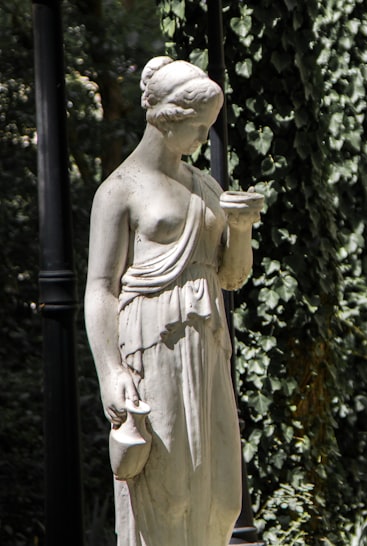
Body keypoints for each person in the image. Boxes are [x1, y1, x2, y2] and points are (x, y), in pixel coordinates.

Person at [85, 56, 262, 545]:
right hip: (152, 341)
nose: (204, 139)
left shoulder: (204, 186)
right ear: (166, 118)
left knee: (223, 496)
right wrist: (110, 370)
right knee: (168, 491)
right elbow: (100, 288)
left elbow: (230, 276)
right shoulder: (119, 190)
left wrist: (241, 229)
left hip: (207, 342)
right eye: (198, 127)